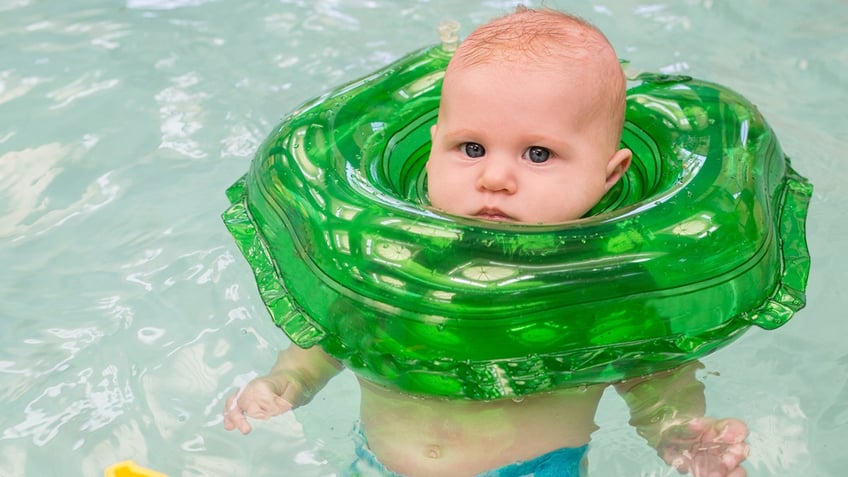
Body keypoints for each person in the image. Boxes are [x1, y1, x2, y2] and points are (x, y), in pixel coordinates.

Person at [223, 7, 750, 477]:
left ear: (609, 177)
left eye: (538, 154)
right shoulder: (390, 256)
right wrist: (286, 384)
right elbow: (333, 338)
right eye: (471, 147)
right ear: (430, 150)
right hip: (376, 465)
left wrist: (679, 433)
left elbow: (652, 377)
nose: (495, 177)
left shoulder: (607, 282)